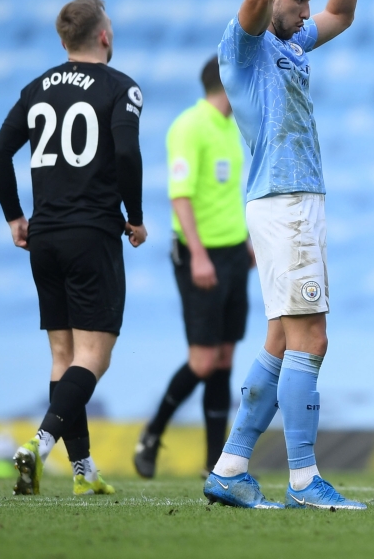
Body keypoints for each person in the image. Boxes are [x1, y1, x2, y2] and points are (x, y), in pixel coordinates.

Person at [202, 0, 364, 511]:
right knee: (312, 337)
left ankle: (231, 467)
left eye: (304, 0)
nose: (303, 9)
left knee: (279, 338)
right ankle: (303, 479)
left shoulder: (291, 42)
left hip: (295, 201)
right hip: (283, 200)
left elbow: (344, 12)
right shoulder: (241, 47)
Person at [0, 0, 147, 496]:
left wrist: (16, 215)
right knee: (94, 357)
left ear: (63, 42)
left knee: (63, 354)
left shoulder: (36, 88)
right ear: (104, 36)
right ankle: (38, 443)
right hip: (91, 232)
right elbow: (126, 150)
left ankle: (82, 472)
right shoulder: (122, 87)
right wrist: (136, 217)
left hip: (45, 235)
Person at [134, 56, 254, 479]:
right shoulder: (189, 126)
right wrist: (200, 254)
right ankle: (151, 435)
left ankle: (214, 463)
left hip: (234, 251)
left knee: (224, 358)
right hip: (199, 254)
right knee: (202, 361)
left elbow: (223, 195)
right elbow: (180, 195)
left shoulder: (230, 127)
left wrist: (246, 242)